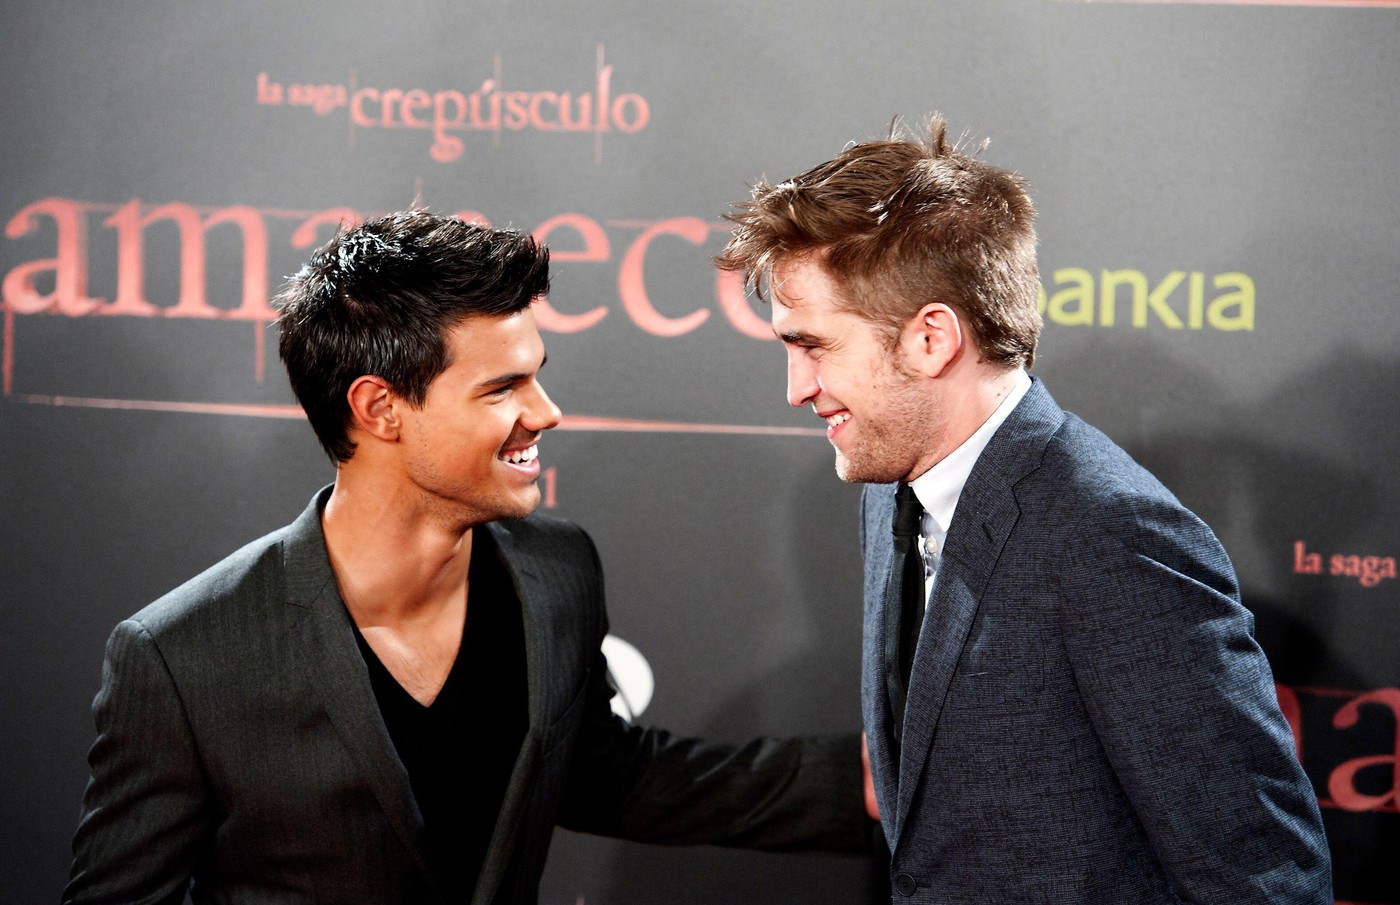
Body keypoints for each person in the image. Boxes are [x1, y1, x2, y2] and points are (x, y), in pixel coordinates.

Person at [64, 210, 866, 905]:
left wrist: (867, 781)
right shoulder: (184, 656)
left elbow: (602, 774)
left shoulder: (557, 572)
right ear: (380, 407)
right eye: (501, 388)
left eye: (536, 378)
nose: (545, 412)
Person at [717, 117, 1331, 903]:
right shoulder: (887, 482)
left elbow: (1264, 881)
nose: (796, 388)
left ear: (931, 339)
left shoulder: (1111, 535)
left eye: (813, 346)